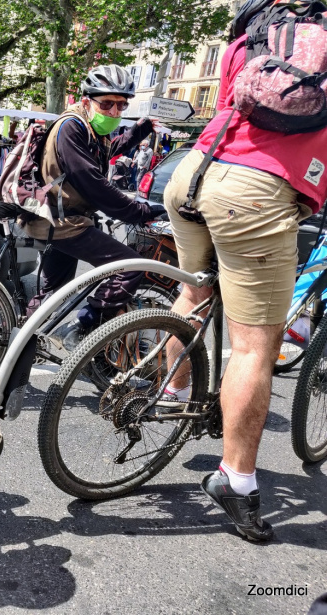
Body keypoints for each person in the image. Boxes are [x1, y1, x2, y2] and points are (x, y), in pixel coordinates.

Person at [163, 32, 327, 542]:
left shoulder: (262, 27)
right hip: (259, 189)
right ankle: (236, 480)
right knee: (255, 346)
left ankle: (171, 392)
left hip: (194, 169)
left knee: (194, 291)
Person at [29, 64, 164, 348]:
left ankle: (20, 346)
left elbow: (105, 152)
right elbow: (90, 179)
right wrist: (136, 211)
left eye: (121, 105)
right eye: (107, 104)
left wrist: (140, 131)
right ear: (87, 100)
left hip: (57, 218)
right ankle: (83, 324)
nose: (115, 112)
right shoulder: (71, 127)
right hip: (64, 222)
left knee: (53, 293)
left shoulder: (86, 126)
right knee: (130, 267)